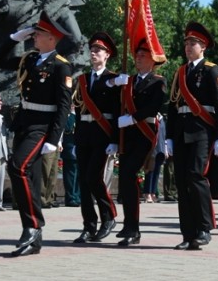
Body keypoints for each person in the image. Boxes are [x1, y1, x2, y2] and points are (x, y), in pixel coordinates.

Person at [0, 10, 73, 257]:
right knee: (32, 179)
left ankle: (32, 226)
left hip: (42, 126)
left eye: (39, 33)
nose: (34, 36)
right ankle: (34, 236)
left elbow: (63, 105)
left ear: (52, 37)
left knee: (17, 167)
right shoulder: (30, 59)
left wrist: (54, 138)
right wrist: (13, 38)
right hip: (24, 123)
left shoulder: (62, 66)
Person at [166, 22, 218, 250]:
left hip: (202, 131)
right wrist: (169, 136)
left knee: (196, 175)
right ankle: (188, 233)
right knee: (182, 182)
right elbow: (173, 106)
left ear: (203, 47)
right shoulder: (180, 72)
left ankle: (204, 227)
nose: (188, 47)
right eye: (186, 43)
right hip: (182, 132)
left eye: (193, 43)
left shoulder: (212, 70)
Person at [70, 32, 123, 244]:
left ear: (107, 55)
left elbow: (118, 111)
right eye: (91, 50)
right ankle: (88, 226)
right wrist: (75, 139)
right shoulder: (82, 79)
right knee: (83, 181)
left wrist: (115, 140)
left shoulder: (114, 79)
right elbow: (79, 112)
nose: (93, 53)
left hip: (103, 134)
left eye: (98, 50)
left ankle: (108, 216)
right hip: (84, 134)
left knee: (94, 176)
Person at [115, 39, 167, 246]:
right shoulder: (129, 80)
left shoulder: (158, 81)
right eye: (137, 55)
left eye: (143, 55)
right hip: (127, 134)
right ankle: (129, 225)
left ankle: (133, 228)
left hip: (144, 133)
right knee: (126, 179)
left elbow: (155, 105)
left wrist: (133, 118)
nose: (138, 58)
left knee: (128, 174)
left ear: (153, 61)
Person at [60, 106, 80, 207]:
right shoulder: (67, 115)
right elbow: (67, 128)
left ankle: (77, 196)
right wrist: (72, 113)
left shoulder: (80, 115)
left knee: (79, 175)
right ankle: (71, 197)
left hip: (79, 148)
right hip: (69, 149)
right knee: (70, 176)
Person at [143, 117, 166, 203]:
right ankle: (147, 193)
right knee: (150, 170)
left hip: (160, 148)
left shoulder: (161, 119)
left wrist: (165, 148)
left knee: (157, 171)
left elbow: (164, 135)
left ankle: (153, 193)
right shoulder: (150, 118)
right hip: (152, 147)